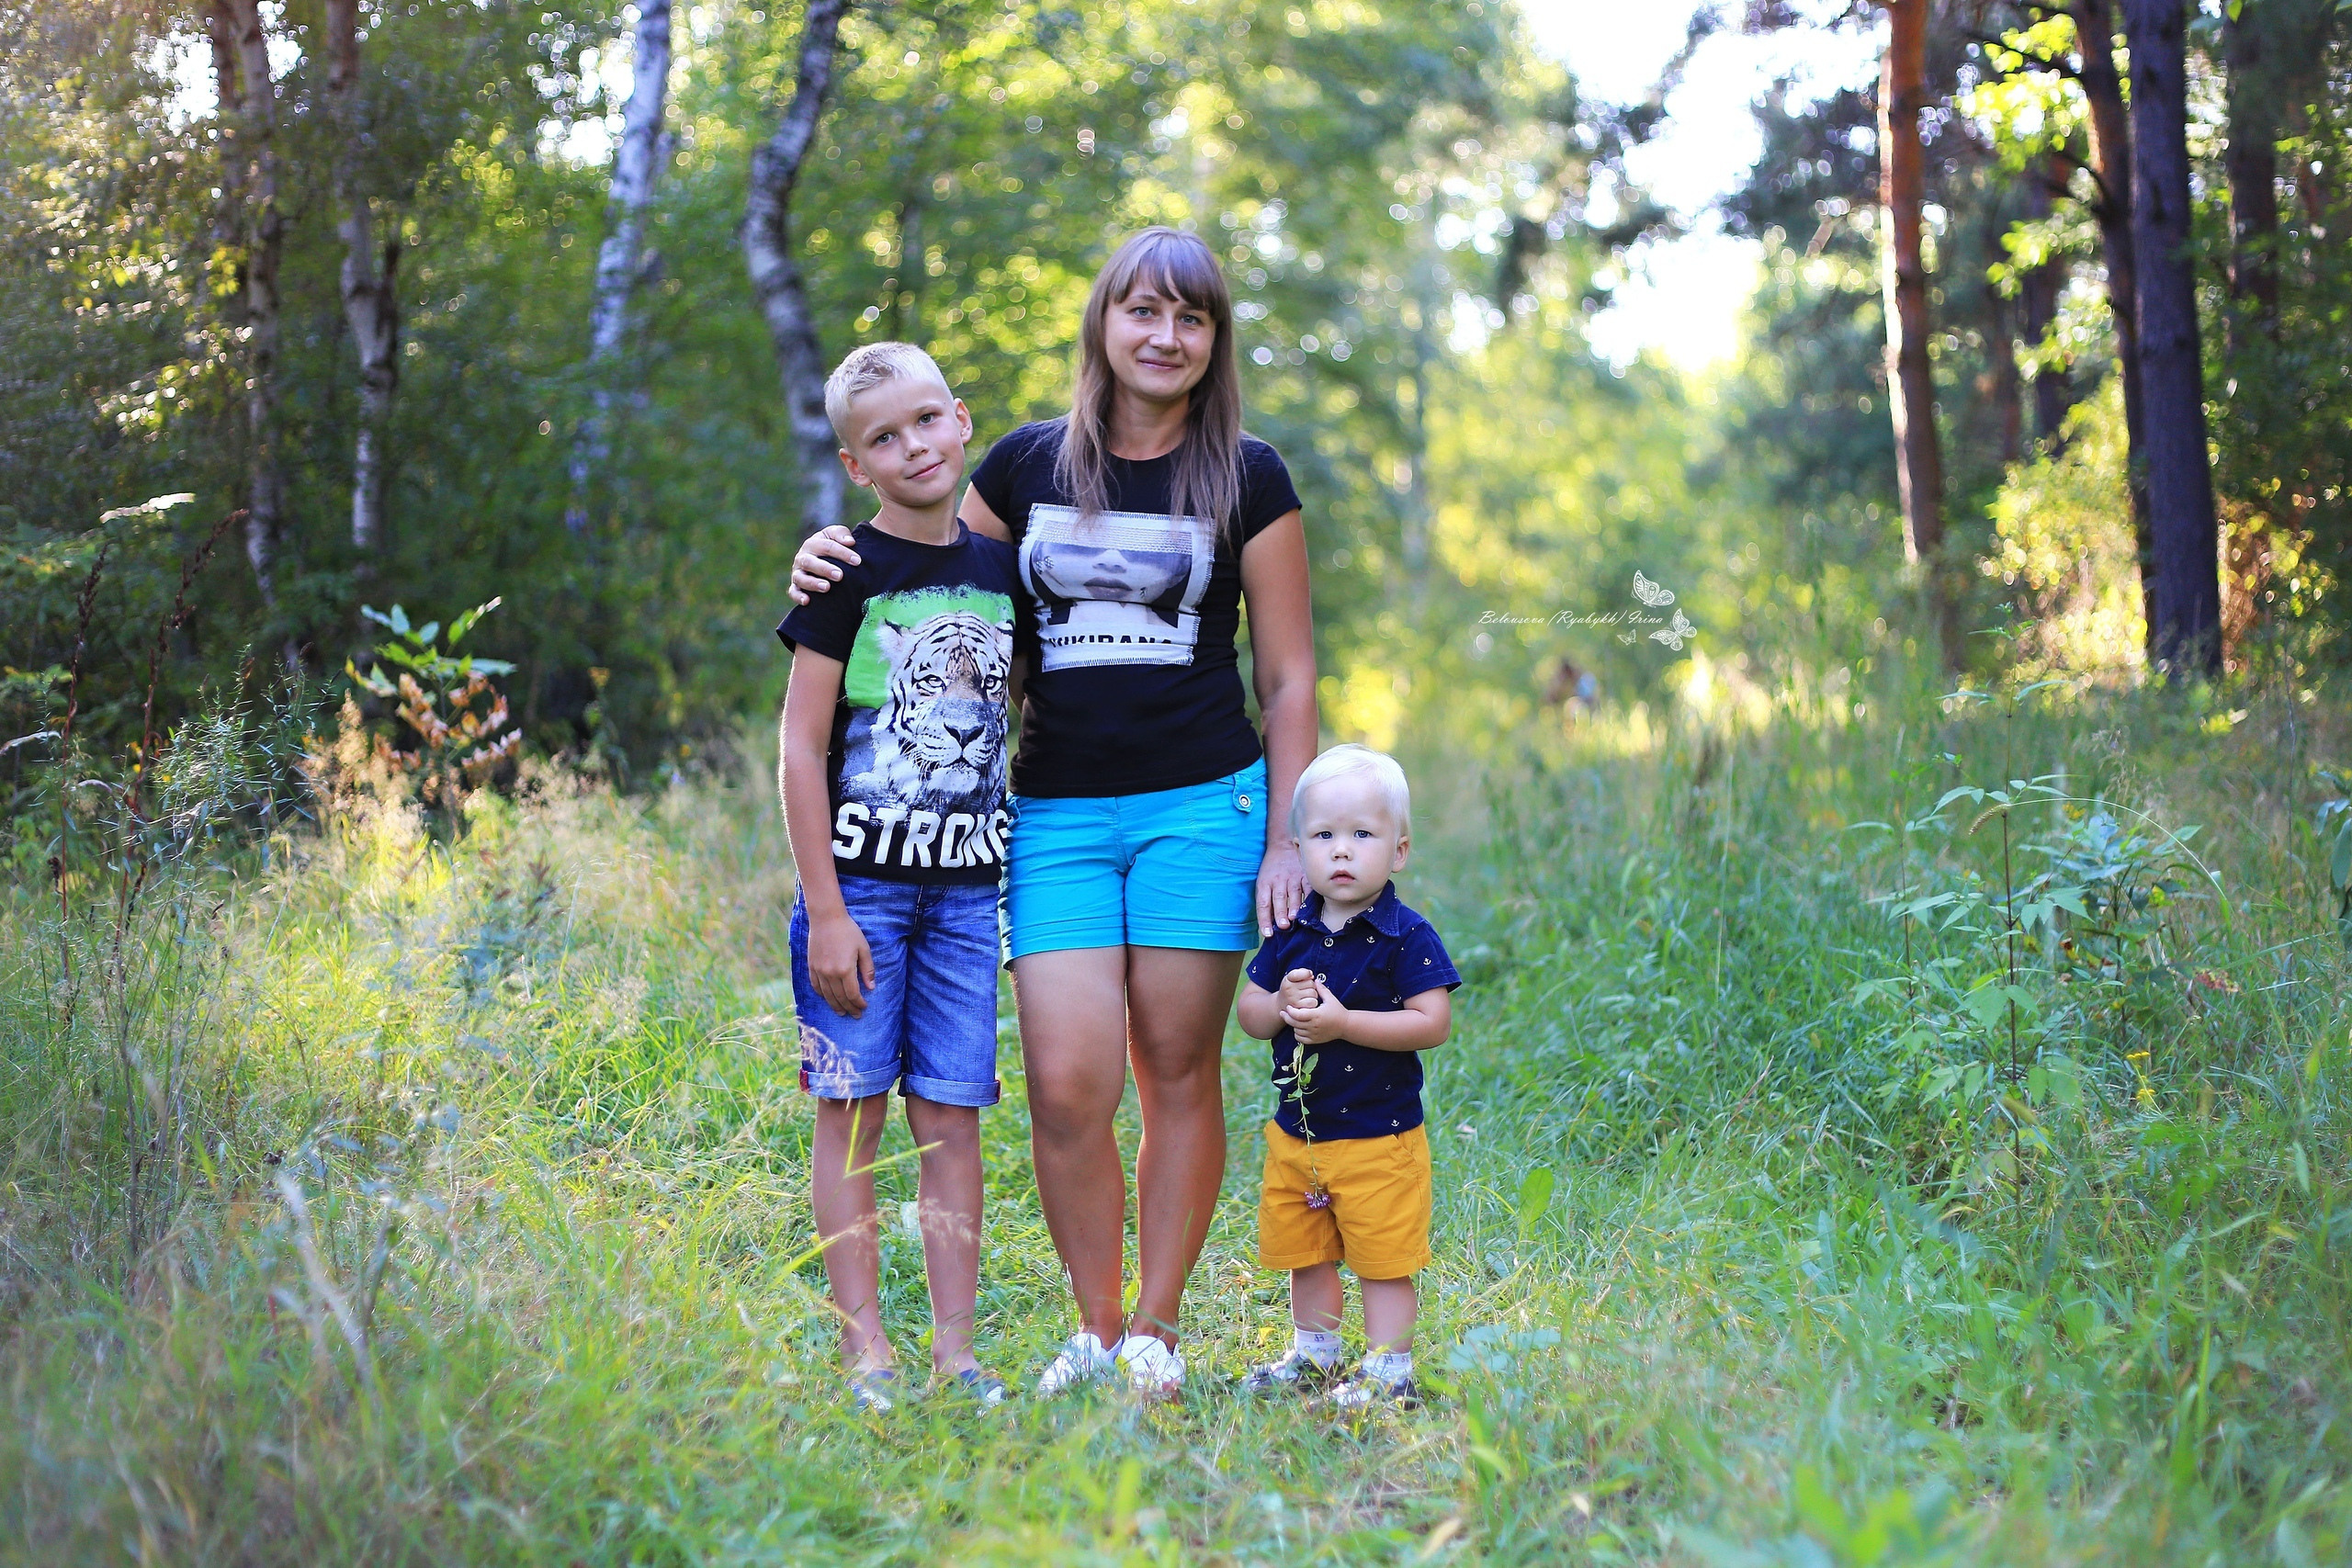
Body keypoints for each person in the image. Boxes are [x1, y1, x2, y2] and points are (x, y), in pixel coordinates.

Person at [788, 228, 1319, 1400]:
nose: (1164, 337)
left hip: (1204, 805)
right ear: (1103, 324)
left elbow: (1287, 680)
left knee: (1177, 1068)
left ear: (1213, 341)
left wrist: (1287, 834)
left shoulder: (1251, 476)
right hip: (1057, 813)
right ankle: (1090, 1329)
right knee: (1070, 1082)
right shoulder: (1023, 467)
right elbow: (923, 587)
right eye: (1143, 311)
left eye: (1190, 319)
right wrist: (825, 558)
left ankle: (1155, 1335)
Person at [775, 342, 1024, 1411]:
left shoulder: (1000, 572)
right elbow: (797, 747)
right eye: (885, 436)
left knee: (953, 1118)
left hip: (970, 899)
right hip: (863, 895)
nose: (914, 444)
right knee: (851, 1113)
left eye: (928, 421)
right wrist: (826, 908)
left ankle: (956, 1356)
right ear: (855, 464)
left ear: (961, 421)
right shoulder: (846, 576)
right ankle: (865, 1351)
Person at [1234, 744, 1459, 1411]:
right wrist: (1279, 1006)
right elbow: (1249, 1010)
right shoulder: (1290, 934)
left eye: (1362, 834)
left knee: (1382, 1257)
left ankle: (1390, 1368)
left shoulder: (1406, 937)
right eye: (1325, 835)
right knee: (1309, 1250)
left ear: (1399, 851)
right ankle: (1315, 1354)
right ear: (1299, 847)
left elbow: (1432, 1020)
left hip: (1378, 1136)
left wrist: (1343, 1024)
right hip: (1299, 1135)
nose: (1341, 850)